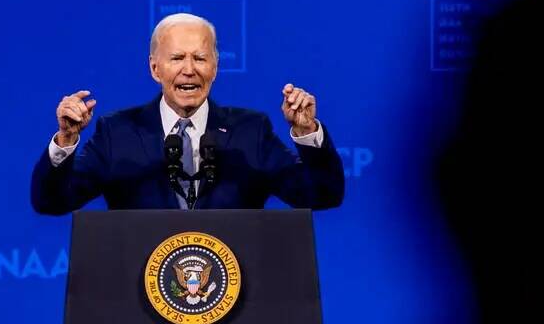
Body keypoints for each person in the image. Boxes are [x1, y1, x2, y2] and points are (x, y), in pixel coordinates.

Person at [30, 13, 345, 213]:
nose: (189, 70)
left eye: (200, 58)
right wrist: (66, 140)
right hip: (139, 304)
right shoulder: (118, 132)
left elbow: (321, 195)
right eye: (177, 58)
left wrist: (306, 134)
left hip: (235, 304)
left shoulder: (250, 130)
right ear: (155, 68)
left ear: (216, 67)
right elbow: (53, 201)